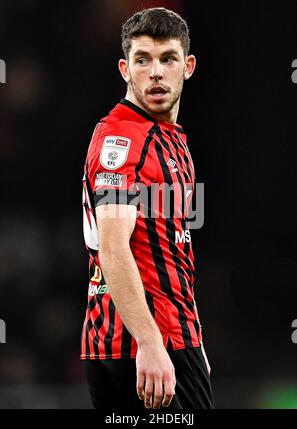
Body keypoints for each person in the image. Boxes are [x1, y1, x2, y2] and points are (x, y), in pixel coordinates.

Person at [81, 7, 214, 410]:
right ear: (125, 68)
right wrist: (151, 342)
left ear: (187, 66)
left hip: (172, 338)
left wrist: (195, 337)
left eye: (167, 59)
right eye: (143, 60)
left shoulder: (172, 140)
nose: (155, 72)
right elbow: (114, 247)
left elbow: (172, 251)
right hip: (137, 347)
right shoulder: (122, 138)